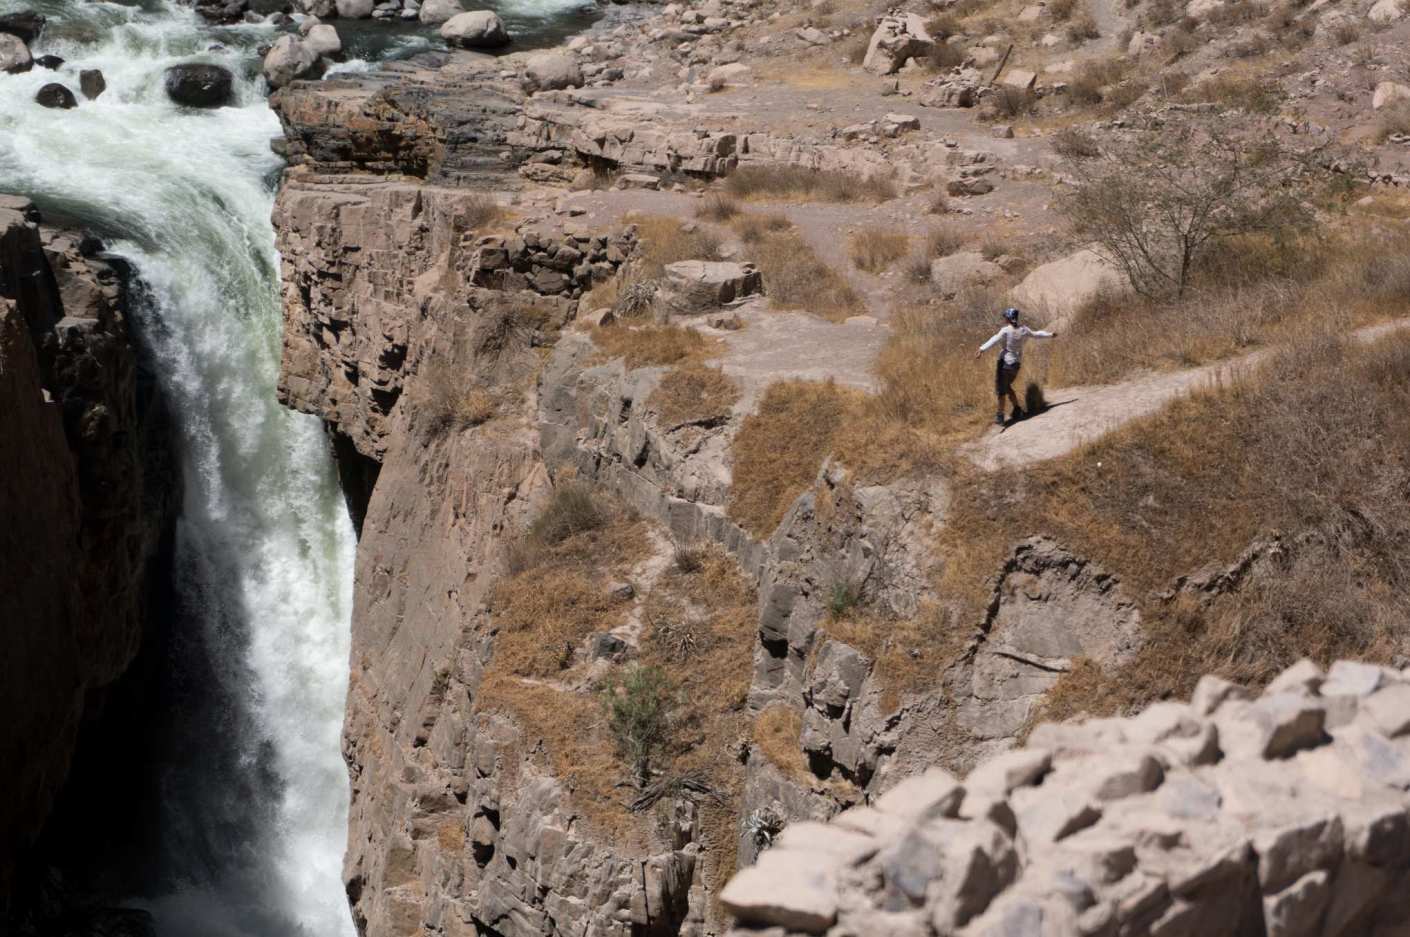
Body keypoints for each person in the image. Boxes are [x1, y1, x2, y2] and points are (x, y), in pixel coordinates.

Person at [974, 307, 1056, 425]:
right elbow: (1036, 334)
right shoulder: (1024, 329)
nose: (1004, 319)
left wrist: (981, 349)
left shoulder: (1006, 330)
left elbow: (994, 339)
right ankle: (1017, 409)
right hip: (1016, 365)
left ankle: (1000, 415)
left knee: (1001, 391)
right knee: (1007, 387)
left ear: (1008, 318)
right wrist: (1050, 335)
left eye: (1005, 317)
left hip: (1005, 364)